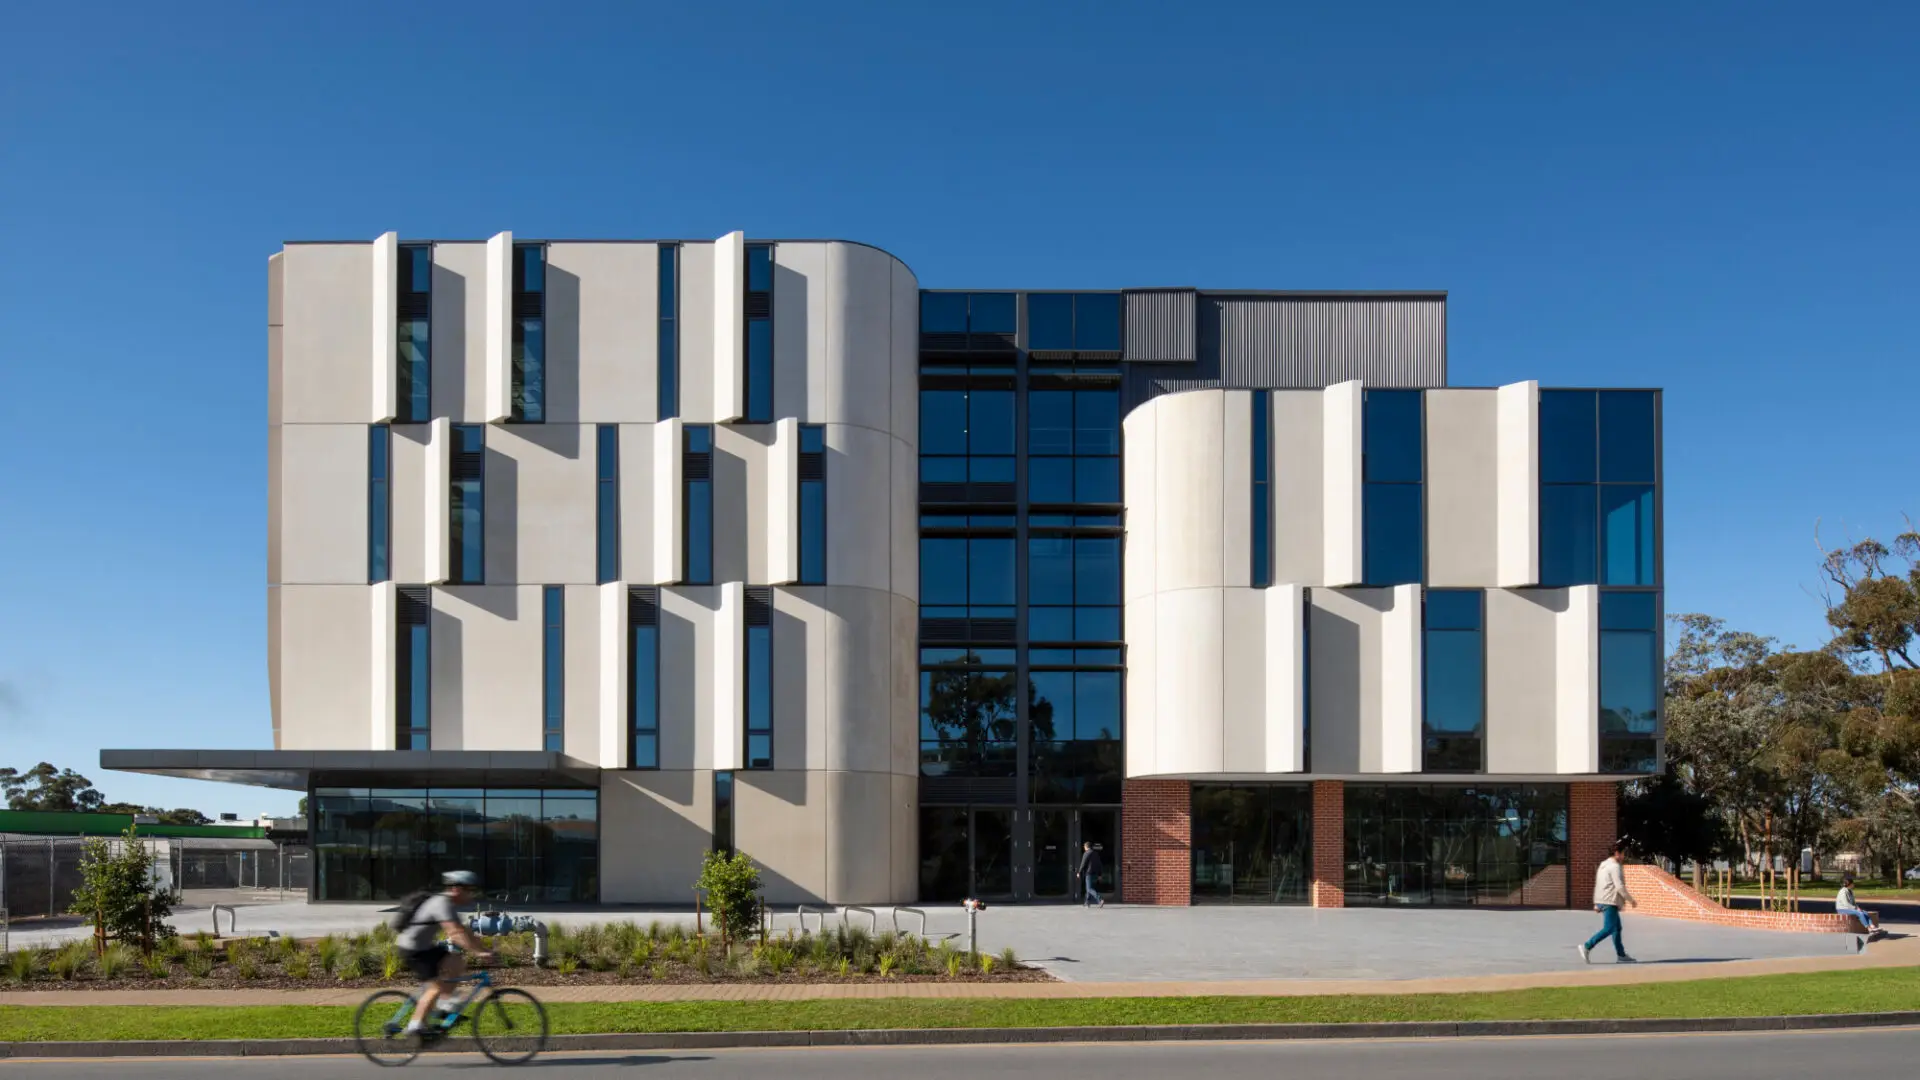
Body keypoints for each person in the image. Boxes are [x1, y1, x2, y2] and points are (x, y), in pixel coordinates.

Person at [397, 870, 494, 1037]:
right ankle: (414, 1026)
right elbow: (454, 933)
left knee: (456, 960)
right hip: (413, 949)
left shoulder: (450, 905)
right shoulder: (441, 903)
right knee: (435, 988)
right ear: (457, 889)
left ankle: (443, 1004)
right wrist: (477, 953)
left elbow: (465, 931)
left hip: (424, 947)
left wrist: (485, 950)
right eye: (469, 890)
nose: (472, 894)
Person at [1578, 841, 1638, 964]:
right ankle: (1587, 946)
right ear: (1617, 853)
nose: (1624, 856)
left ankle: (1621, 955)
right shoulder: (1615, 866)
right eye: (1623, 853)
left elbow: (1599, 883)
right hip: (1610, 900)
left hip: (1603, 899)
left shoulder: (1603, 864)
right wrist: (1631, 900)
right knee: (1609, 928)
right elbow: (1619, 886)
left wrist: (1597, 902)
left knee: (1617, 928)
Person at [1077, 842, 1106, 908]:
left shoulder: (1086, 853)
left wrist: (1079, 872)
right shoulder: (1096, 853)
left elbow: (1083, 863)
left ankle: (1100, 899)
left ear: (1086, 847)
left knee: (1089, 889)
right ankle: (1087, 902)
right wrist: (1100, 874)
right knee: (1089, 888)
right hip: (1095, 874)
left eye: (1084, 846)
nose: (1084, 848)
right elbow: (1099, 864)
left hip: (1089, 873)